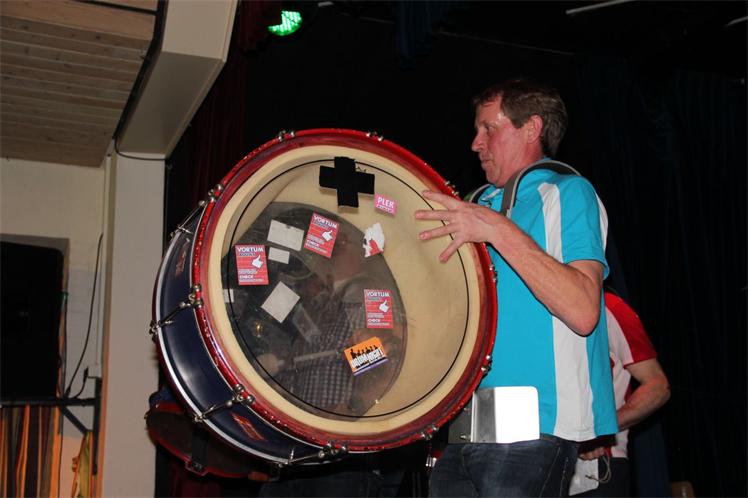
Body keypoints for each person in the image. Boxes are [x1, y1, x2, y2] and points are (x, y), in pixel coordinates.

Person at [414, 77, 618, 497]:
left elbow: (583, 310)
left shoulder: (566, 192)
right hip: (464, 429)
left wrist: (497, 229)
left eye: (489, 128)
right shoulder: (475, 207)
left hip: (536, 427)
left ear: (531, 128)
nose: (475, 143)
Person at [569, 290, 670, 497]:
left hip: (596, 464)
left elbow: (657, 386)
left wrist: (598, 430)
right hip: (544, 460)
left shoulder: (608, 307)